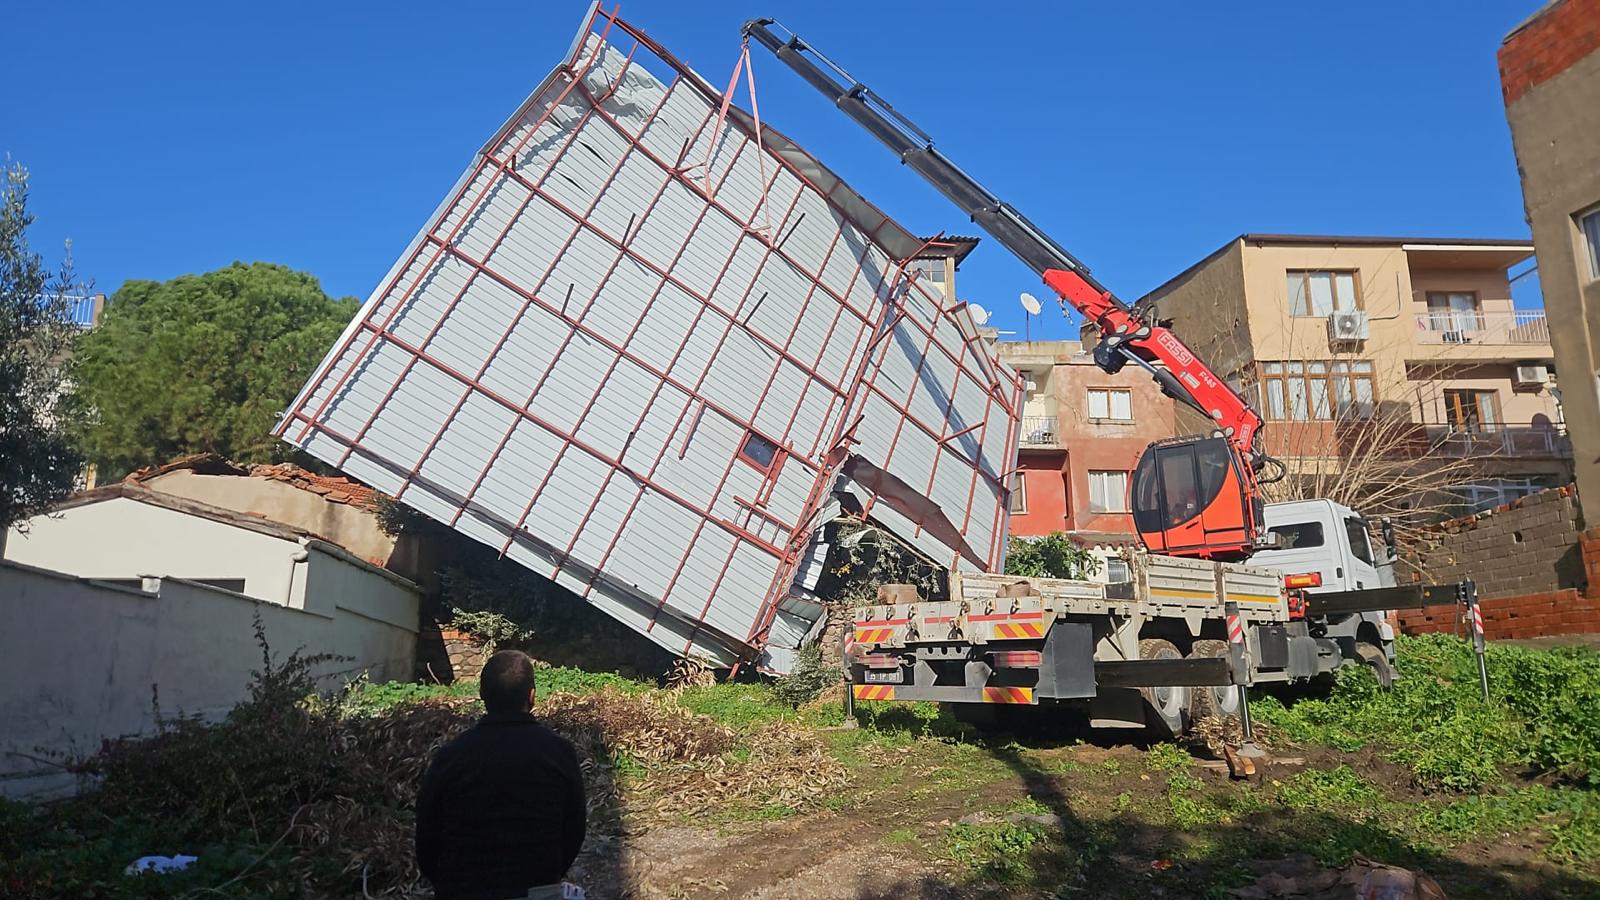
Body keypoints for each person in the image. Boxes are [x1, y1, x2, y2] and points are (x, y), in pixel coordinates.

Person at [416, 650, 587, 900]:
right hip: (537, 890)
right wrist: (546, 877)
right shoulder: (559, 753)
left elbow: (427, 835)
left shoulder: (451, 756)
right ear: (532, 696)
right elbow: (574, 829)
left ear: (482, 695)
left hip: (461, 891)